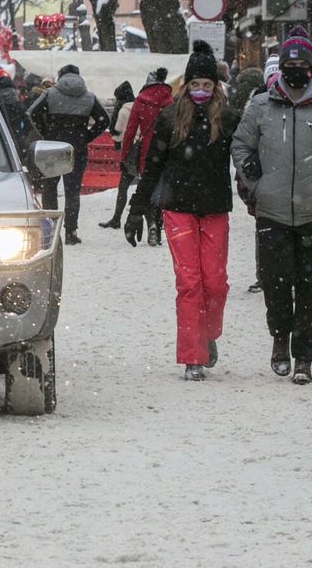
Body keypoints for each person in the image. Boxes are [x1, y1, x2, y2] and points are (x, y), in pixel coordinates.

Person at [231, 25, 312, 384]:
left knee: (309, 286)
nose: (295, 71)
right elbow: (240, 145)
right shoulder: (261, 105)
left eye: (301, 64)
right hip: (271, 210)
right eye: (289, 64)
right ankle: (279, 340)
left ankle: (304, 357)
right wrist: (255, 178)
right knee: (275, 283)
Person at [124, 42, 240, 380]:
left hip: (216, 208)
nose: (201, 90)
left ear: (215, 87)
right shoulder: (170, 118)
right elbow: (153, 167)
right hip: (178, 209)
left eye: (207, 84)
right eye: (195, 84)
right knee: (189, 282)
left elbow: (248, 158)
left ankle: (206, 334)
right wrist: (136, 209)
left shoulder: (230, 119)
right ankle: (193, 356)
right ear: (185, 86)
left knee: (215, 283)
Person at [27, 64, 109, 245]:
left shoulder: (50, 94)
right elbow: (104, 120)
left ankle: (51, 230)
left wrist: (46, 132)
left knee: (49, 188)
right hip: (77, 149)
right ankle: (71, 232)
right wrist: (86, 136)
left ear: (60, 76)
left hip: (53, 147)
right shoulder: (89, 97)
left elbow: (33, 112)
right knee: (72, 192)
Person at [111, 68, 172, 240]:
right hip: (166, 151)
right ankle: (158, 228)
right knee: (160, 189)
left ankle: (151, 222)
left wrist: (125, 155)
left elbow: (130, 131)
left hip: (147, 151)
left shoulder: (141, 100)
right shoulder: (171, 101)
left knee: (146, 187)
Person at [99, 81, 137, 229]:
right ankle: (153, 225)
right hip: (144, 151)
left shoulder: (123, 110)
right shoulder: (140, 106)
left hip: (130, 152)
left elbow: (117, 135)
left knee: (123, 187)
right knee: (146, 188)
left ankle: (116, 218)